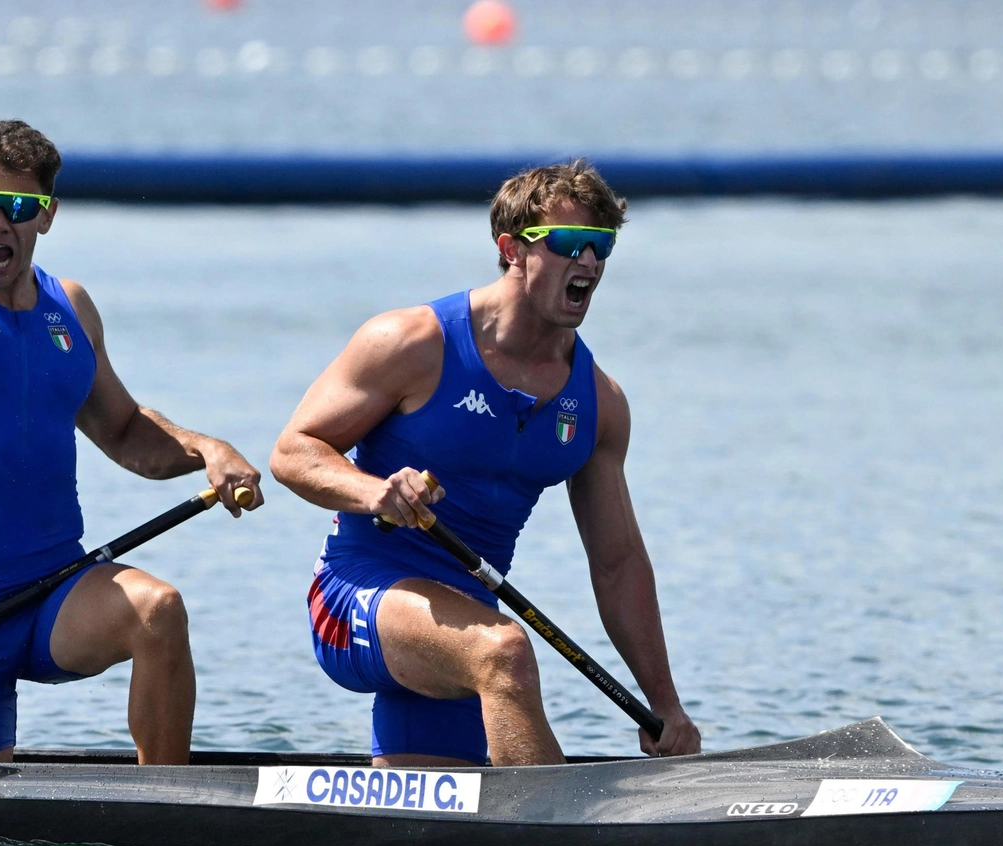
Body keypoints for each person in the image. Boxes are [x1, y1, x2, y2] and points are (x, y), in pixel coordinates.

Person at [0, 12, 262, 765]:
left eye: (21, 210)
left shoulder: (73, 308)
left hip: (57, 592)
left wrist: (208, 449)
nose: (0, 224)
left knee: (159, 609)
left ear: (47, 218)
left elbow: (126, 432)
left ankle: (162, 821)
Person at [270, 160, 700, 767]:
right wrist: (373, 493)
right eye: (569, 244)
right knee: (506, 653)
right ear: (512, 250)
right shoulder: (412, 343)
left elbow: (618, 563)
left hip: (464, 622)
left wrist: (667, 706)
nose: (589, 264)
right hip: (354, 598)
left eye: (601, 248)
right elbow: (293, 451)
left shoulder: (600, 404)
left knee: (430, 835)